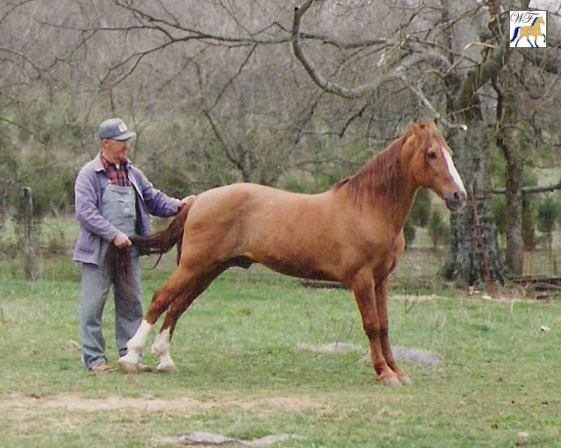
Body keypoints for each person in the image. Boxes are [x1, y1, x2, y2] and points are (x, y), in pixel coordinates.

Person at [73, 117, 192, 373]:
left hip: (129, 250)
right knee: (92, 306)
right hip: (98, 251)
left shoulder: (133, 173)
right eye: (121, 141)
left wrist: (181, 205)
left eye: (127, 140)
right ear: (105, 143)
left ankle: (130, 357)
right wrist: (113, 233)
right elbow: (86, 212)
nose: (126, 145)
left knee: (131, 305)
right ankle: (95, 361)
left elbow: (154, 199)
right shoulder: (89, 174)